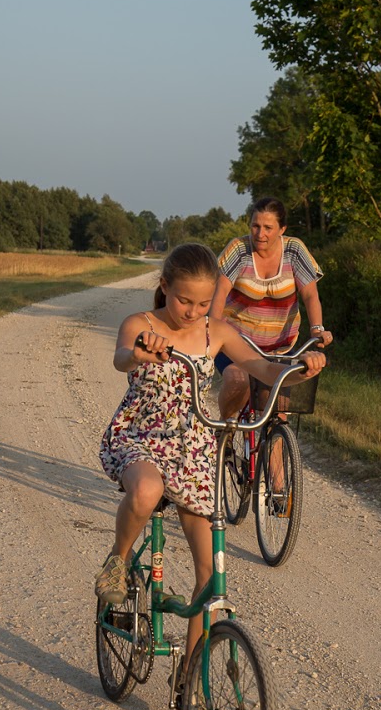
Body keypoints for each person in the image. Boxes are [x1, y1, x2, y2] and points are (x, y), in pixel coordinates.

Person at [95, 243, 325, 667]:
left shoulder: (214, 331)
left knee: (210, 575)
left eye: (203, 304)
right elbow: (121, 358)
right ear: (165, 286)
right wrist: (139, 352)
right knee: (146, 492)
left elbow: (263, 368)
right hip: (141, 435)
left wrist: (300, 367)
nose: (194, 311)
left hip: (192, 445)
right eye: (185, 300)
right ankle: (118, 559)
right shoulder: (140, 324)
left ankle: (190, 677)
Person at [211, 198, 332, 422]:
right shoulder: (239, 249)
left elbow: (310, 295)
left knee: (277, 411)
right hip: (237, 343)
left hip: (280, 347)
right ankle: (226, 432)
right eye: (255, 226)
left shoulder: (294, 250)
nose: (260, 234)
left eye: (268, 228)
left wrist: (317, 329)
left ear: (282, 229)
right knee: (238, 381)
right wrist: (212, 331)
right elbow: (220, 294)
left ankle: (277, 442)